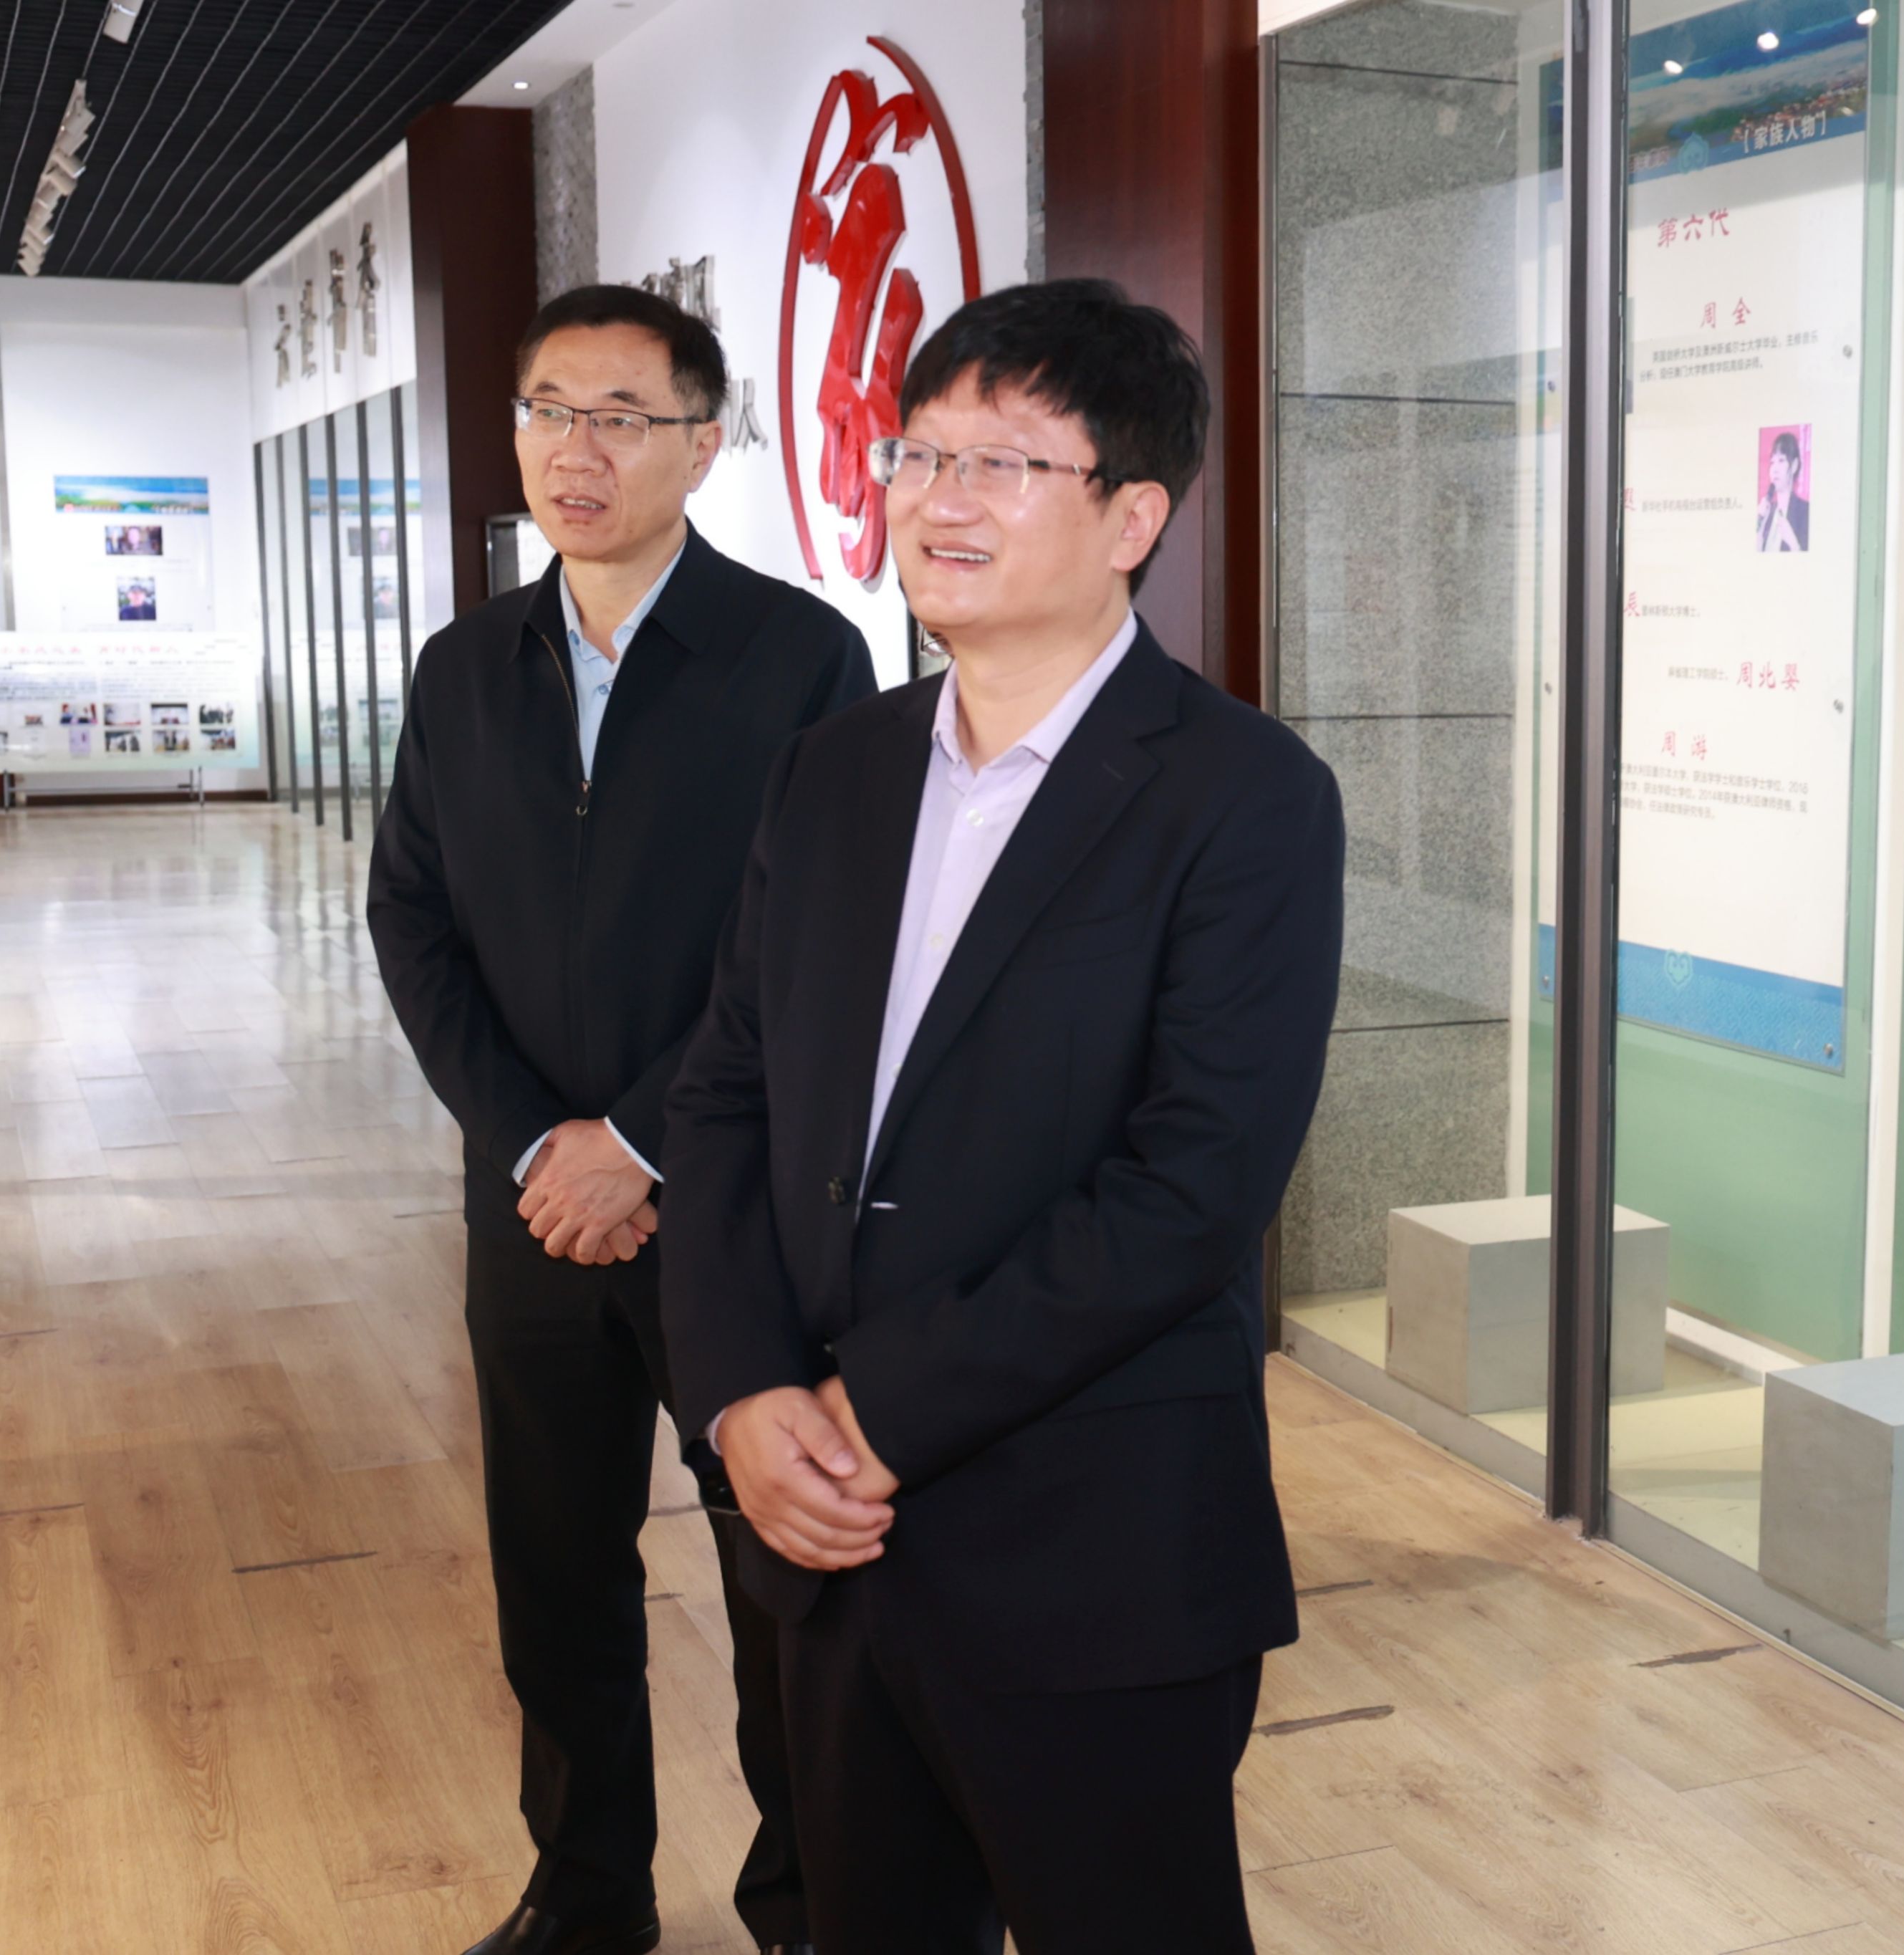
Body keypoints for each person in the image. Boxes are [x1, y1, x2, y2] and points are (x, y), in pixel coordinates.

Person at [661, 279, 1346, 1952]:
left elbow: (1191, 1187)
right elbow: (729, 1091)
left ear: (1132, 517)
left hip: (1091, 1543)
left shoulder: (1242, 794)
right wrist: (741, 1392)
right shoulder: (832, 769)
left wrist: (875, 1405)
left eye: (1002, 462)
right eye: (918, 452)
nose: (937, 498)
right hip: (824, 1528)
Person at [367, 284, 873, 1955]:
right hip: (527, 1212)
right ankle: (584, 1889)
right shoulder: (464, 667)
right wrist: (535, 1142)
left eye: (619, 417)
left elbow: (813, 934)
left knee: (778, 1569)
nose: (571, 450)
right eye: (546, 410)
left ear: (703, 445)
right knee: (553, 1564)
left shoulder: (800, 654)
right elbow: (412, 918)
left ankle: (807, 1899)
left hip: (734, 1204)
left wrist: (640, 1138)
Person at [1757, 430, 1809, 552]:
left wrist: (1794, 544)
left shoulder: (1805, 512)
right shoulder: (1767, 512)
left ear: (1794, 465)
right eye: (1772, 462)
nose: (1774, 469)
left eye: (1781, 460)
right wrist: (1759, 526)